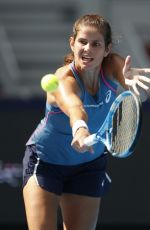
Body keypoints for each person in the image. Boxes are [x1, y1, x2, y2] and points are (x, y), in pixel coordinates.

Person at [22, 14, 150, 230]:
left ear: (107, 49)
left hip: (88, 167)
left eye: (96, 44)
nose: (88, 49)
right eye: (82, 42)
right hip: (45, 162)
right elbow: (74, 107)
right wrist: (80, 130)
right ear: (72, 43)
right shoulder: (63, 79)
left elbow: (137, 90)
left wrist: (139, 89)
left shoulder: (112, 66)